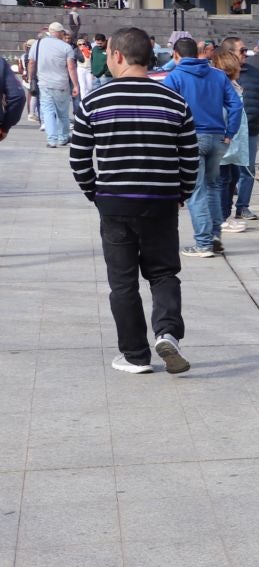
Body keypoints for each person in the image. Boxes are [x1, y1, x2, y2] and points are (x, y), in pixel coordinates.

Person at [69, 27, 200, 376]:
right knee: (164, 272)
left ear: (116, 56)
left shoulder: (94, 102)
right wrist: (181, 193)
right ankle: (168, 332)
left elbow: (79, 159)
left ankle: (135, 355)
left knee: (122, 282)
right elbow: (190, 157)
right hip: (161, 201)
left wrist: (95, 193)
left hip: (115, 203)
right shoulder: (174, 102)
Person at [161, 34, 244, 256]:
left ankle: (204, 243)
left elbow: (165, 112)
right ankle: (215, 234)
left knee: (196, 191)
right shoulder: (217, 75)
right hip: (217, 137)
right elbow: (235, 105)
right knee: (214, 186)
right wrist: (230, 132)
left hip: (190, 138)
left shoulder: (174, 77)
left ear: (176, 55)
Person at [209, 47, 252, 233]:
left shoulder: (232, 86)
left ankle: (225, 215)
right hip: (225, 140)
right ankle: (221, 217)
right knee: (224, 179)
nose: (240, 68)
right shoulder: (221, 87)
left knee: (232, 177)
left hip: (233, 141)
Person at [229, 36, 259, 221]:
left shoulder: (254, 72)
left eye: (246, 50)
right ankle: (223, 209)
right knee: (227, 172)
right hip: (228, 132)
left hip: (250, 129)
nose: (246, 54)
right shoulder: (220, 73)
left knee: (248, 170)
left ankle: (243, 206)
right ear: (230, 53)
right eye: (242, 50)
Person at [26, 21, 80, 147]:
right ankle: (63, 138)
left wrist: (30, 78)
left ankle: (51, 140)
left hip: (44, 84)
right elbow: (71, 67)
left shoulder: (37, 44)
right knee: (62, 113)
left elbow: (31, 63)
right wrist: (76, 85)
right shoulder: (66, 47)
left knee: (48, 111)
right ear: (60, 32)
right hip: (61, 84)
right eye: (62, 32)